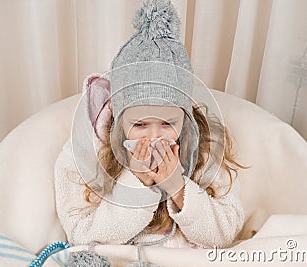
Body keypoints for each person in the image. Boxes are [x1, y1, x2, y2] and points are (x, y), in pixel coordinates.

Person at [55, 0, 245, 251]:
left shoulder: (206, 147)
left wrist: (178, 188)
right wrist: (136, 183)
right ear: (118, 119)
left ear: (185, 117)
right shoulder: (86, 152)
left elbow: (224, 234)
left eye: (168, 123)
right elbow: (82, 236)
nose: (154, 136)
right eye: (140, 124)